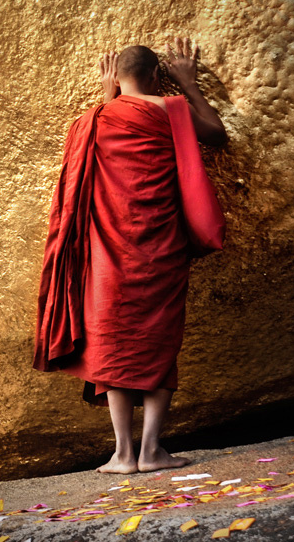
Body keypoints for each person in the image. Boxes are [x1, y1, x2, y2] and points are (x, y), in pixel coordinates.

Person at [33, 37, 227, 474]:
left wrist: (106, 100)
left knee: (112, 342)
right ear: (157, 77)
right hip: (162, 247)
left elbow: (85, 173)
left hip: (107, 251)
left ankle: (122, 454)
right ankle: (153, 450)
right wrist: (189, 85)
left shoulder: (92, 121)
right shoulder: (170, 108)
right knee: (158, 339)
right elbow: (217, 135)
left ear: (116, 80)